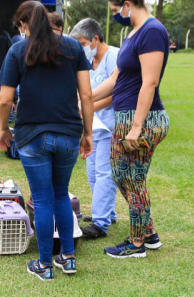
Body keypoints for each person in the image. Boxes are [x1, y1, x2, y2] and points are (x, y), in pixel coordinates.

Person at [0, 1, 94, 281]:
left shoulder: (18, 49)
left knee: (41, 199)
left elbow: (4, 99)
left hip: (32, 135)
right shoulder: (73, 48)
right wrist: (87, 133)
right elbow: (86, 96)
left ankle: (44, 264)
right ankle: (68, 257)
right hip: (68, 133)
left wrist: (4, 129)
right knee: (60, 194)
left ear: (24, 24)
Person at [92, 0, 170, 258]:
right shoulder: (133, 34)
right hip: (124, 117)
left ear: (127, 4)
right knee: (120, 174)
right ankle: (149, 233)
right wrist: (85, 98)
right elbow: (115, 80)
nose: (116, 16)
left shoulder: (152, 31)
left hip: (143, 119)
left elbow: (150, 82)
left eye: (115, 11)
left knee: (133, 179)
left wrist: (136, 127)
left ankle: (137, 244)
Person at [69, 18, 119, 240]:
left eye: (81, 43)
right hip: (92, 127)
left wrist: (88, 106)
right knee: (92, 174)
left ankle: (100, 223)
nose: (80, 48)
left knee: (104, 173)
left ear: (95, 39)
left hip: (110, 127)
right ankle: (108, 213)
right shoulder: (86, 62)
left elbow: (116, 92)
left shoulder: (114, 57)